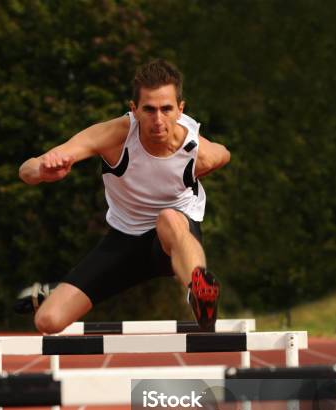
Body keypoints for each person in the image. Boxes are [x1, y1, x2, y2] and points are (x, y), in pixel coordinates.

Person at [17, 59, 230, 332]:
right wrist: (42, 171)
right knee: (48, 321)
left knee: (168, 217)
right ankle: (59, 291)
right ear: (134, 110)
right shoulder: (114, 135)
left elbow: (223, 154)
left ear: (180, 109)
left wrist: (200, 172)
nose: (158, 120)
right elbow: (28, 168)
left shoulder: (198, 149)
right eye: (149, 110)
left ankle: (199, 292)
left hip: (174, 241)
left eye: (166, 109)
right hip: (125, 240)